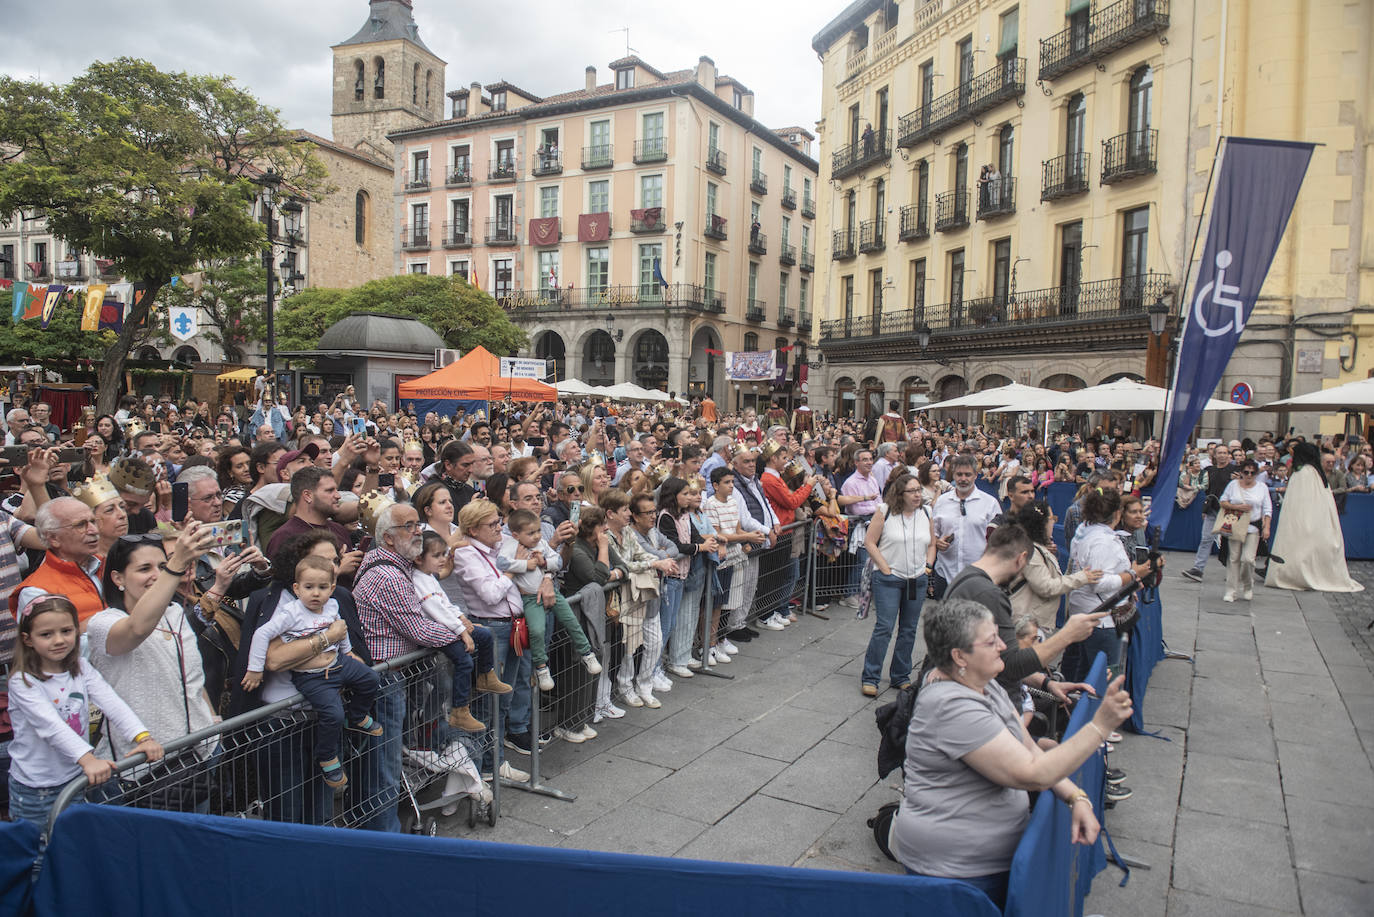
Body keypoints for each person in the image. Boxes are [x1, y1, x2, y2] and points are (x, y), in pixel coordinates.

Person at [891, 598, 1133, 908]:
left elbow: (1031, 751)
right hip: (956, 873)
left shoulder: (983, 682)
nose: (1003, 647)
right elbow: (1032, 774)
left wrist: (1076, 797)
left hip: (980, 861)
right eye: (991, 641)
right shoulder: (950, 706)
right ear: (960, 656)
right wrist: (1100, 727)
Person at [8, 594, 164, 827]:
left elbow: (111, 701)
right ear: (28, 639)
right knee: (40, 853)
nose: (59, 640)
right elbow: (50, 726)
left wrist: (142, 736)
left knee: (74, 846)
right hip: (38, 786)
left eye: (66, 631)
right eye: (46, 634)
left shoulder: (80, 667)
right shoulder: (23, 681)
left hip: (76, 777)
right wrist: (88, 759)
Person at [243, 555, 383, 789]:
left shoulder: (332, 605)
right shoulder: (290, 613)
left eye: (322, 587)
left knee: (371, 678)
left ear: (332, 588)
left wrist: (348, 652)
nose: (315, 593)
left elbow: (341, 627)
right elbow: (261, 635)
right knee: (333, 715)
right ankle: (327, 756)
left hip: (338, 662)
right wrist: (255, 669)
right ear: (297, 588)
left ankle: (357, 715)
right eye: (309, 587)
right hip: (313, 677)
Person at [411, 530, 511, 730]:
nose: (443, 560)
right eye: (436, 556)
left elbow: (446, 603)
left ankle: (485, 675)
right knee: (464, 661)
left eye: (443, 554)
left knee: (484, 635)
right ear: (419, 558)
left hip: (451, 627)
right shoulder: (418, 580)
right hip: (440, 631)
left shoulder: (429, 576)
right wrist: (462, 630)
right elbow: (436, 609)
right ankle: (460, 709)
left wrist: (463, 619)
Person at [498, 509, 600, 692]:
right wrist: (524, 565)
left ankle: (587, 652)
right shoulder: (511, 546)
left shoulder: (542, 544)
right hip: (529, 598)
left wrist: (544, 562)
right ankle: (541, 667)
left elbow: (558, 562)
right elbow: (502, 563)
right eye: (530, 533)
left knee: (571, 621)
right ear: (515, 534)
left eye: (538, 531)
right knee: (537, 630)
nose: (537, 536)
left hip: (551, 590)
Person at [1061, 490, 1155, 684]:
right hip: (1101, 619)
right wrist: (1131, 574)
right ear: (1118, 514)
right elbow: (1099, 583)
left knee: (1087, 673)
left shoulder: (1087, 531)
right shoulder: (1102, 541)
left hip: (1093, 613)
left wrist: (1126, 587)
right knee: (1105, 679)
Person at [860, 473, 935, 697]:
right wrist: (884, 567)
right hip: (889, 579)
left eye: (919, 490)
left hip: (916, 579)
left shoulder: (927, 512)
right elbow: (870, 542)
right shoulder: (884, 511)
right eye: (912, 491)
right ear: (900, 493)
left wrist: (928, 566)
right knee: (884, 627)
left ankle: (900, 675)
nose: (917, 495)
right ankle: (871, 676)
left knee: (909, 630)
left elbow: (932, 542)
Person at [1267, 442, 1364, 592]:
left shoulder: (1304, 474)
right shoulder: (1315, 473)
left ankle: (1290, 574)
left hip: (1304, 524)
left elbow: (1299, 504)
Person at [1009, 500, 1102, 634]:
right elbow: (1046, 587)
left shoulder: (1035, 548)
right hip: (1028, 625)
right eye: (1052, 518)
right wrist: (1082, 577)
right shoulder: (1031, 552)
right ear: (1042, 523)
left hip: (1035, 621)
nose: (1053, 522)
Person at [931, 455, 1001, 597]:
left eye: (968, 474)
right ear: (953, 475)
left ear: (975, 475)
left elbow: (999, 541)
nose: (963, 479)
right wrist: (937, 542)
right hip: (945, 574)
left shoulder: (990, 503)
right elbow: (933, 534)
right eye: (959, 474)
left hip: (978, 576)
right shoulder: (942, 502)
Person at [1217, 459, 1272, 603]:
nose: (1249, 475)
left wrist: (1266, 527)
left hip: (1253, 526)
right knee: (1233, 559)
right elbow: (1223, 501)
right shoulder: (1233, 485)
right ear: (1241, 472)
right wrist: (1237, 507)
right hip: (1235, 525)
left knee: (1248, 559)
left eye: (1252, 473)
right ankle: (1231, 591)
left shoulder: (1262, 487)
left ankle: (1248, 585)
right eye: (1246, 472)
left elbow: (1267, 509)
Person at [1181, 444, 1234, 582]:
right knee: (1205, 539)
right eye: (1219, 453)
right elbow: (1201, 487)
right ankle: (1198, 569)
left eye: (1225, 453)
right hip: (1212, 509)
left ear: (1229, 455)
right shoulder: (1209, 470)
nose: (1222, 455)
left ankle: (1233, 571)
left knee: (1231, 542)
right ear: (1214, 455)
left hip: (1230, 511)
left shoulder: (1234, 470)